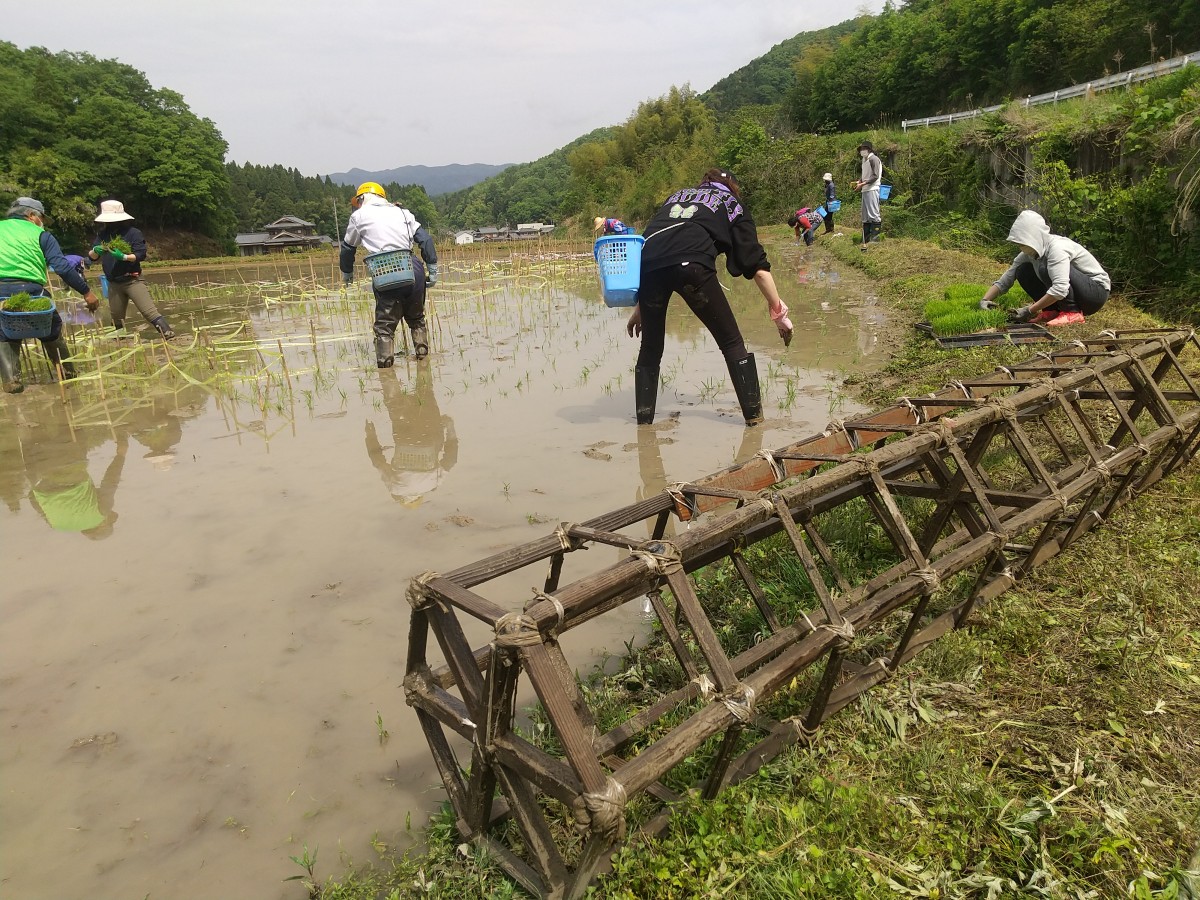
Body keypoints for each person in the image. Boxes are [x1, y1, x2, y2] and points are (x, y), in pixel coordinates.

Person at [624, 168, 793, 427]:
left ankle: (644, 423)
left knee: (650, 347)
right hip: (691, 266)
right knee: (732, 342)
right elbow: (756, 267)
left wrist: (641, 305)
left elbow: (658, 246)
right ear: (732, 187)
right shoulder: (732, 204)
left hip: (647, 267)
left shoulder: (676, 196)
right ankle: (755, 421)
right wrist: (779, 314)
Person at [0, 196, 100, 393]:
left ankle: (11, 380)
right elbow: (62, 266)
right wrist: (86, 292)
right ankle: (68, 373)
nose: (42, 224)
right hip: (31, 290)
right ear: (31, 216)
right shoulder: (41, 235)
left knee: (4, 332)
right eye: (42, 219)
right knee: (51, 327)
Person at [340, 182, 439, 367]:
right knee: (416, 318)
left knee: (385, 327)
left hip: (386, 271)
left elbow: (348, 247)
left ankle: (386, 371)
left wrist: (347, 273)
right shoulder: (402, 212)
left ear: (362, 198)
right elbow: (425, 239)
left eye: (358, 201)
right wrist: (432, 268)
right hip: (413, 268)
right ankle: (423, 358)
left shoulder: (358, 216)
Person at [981, 209, 1111, 327]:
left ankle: (1072, 312)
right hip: (1076, 291)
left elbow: (1060, 288)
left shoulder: (1057, 249)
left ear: (1033, 238)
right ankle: (1051, 311)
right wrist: (985, 299)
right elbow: (1008, 277)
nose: (1020, 247)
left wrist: (1030, 310)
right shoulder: (1029, 253)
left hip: (1095, 294)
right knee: (1022, 271)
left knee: (1046, 269)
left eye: (1022, 243)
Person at [364, 365, 457, 505]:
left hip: (430, 437)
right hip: (403, 439)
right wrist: (370, 436)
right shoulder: (395, 489)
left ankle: (423, 363)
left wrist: (450, 427)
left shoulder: (433, 485)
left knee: (426, 394)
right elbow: (378, 462)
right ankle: (387, 373)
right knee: (395, 405)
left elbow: (451, 460)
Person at [87, 200, 175, 339]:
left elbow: (141, 254)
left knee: (149, 312)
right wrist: (95, 250)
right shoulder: (102, 235)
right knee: (117, 318)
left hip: (133, 280)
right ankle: (120, 341)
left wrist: (124, 257)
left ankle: (168, 334)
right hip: (114, 283)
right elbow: (92, 257)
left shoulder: (133, 233)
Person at [852, 141, 883, 251]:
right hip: (865, 189)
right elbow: (864, 175)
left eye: (864, 148)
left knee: (873, 213)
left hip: (872, 188)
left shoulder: (873, 159)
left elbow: (874, 176)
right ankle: (866, 237)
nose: (862, 150)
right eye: (861, 148)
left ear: (869, 149)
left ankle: (876, 237)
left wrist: (863, 183)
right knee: (865, 214)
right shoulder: (864, 160)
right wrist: (859, 181)